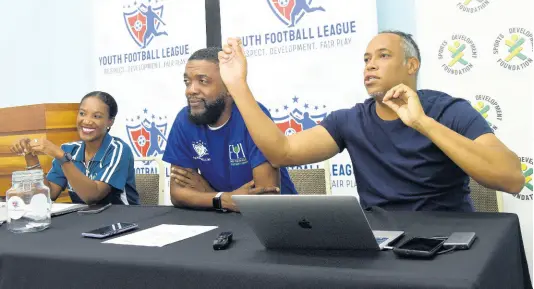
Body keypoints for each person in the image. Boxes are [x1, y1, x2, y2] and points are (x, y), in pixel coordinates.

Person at [216, 31, 525, 212]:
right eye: (366, 59)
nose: (371, 65)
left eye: (383, 56)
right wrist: (238, 86)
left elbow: (511, 178)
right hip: (382, 246)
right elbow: (281, 152)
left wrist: (422, 123)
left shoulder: (449, 110)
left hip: (448, 242)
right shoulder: (350, 120)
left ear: (411, 65)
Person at [162, 47, 298, 212]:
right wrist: (223, 199)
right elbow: (178, 194)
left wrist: (208, 194)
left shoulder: (253, 116)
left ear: (229, 88)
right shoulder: (185, 120)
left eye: (203, 81)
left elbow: (264, 199)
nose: (190, 90)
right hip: (222, 218)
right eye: (187, 82)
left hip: (278, 219)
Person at [10, 91, 140, 205]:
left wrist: (62, 157)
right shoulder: (69, 149)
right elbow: (48, 195)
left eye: (97, 116)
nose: (87, 121)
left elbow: (92, 196)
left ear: (110, 121)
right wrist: (30, 157)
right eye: (83, 113)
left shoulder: (118, 150)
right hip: (85, 221)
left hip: (123, 221)